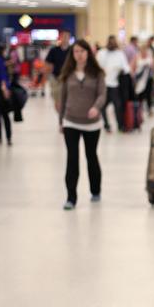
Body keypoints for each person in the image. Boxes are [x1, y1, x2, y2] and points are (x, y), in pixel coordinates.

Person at [58, 39, 106, 211]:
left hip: (92, 123)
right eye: (76, 51)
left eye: (82, 51)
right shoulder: (67, 73)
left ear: (88, 53)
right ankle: (71, 197)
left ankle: (95, 190)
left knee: (91, 156)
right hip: (70, 120)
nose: (79, 55)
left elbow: (102, 94)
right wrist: (60, 121)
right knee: (72, 159)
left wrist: (96, 107)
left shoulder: (97, 73)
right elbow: (62, 98)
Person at [96, 36, 130, 133]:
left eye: (113, 42)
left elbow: (126, 68)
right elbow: (97, 66)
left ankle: (120, 126)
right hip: (104, 85)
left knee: (118, 106)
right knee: (102, 106)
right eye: (110, 42)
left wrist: (120, 71)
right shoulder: (101, 53)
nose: (111, 44)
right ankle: (107, 125)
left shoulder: (120, 54)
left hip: (115, 85)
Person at [45, 29, 72, 113]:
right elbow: (48, 64)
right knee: (58, 101)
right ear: (60, 37)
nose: (65, 38)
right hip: (56, 78)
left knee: (69, 100)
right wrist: (47, 77)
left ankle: (67, 117)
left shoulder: (73, 50)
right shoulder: (54, 50)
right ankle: (61, 119)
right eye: (63, 36)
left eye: (67, 37)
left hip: (69, 78)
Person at [134, 44, 154, 119]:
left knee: (148, 95)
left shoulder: (149, 57)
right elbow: (134, 67)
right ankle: (140, 110)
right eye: (142, 49)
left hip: (148, 79)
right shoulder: (137, 56)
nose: (144, 51)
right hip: (140, 79)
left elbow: (152, 67)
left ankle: (149, 109)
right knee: (140, 95)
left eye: (145, 49)